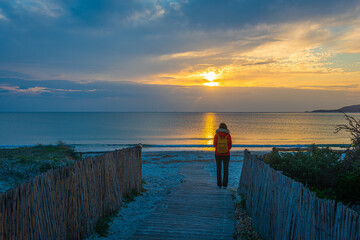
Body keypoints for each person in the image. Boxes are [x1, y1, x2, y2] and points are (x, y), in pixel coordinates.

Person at [213, 123, 232, 189]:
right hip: (226, 154)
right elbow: (230, 146)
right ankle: (225, 185)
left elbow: (214, 145)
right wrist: (226, 149)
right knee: (226, 169)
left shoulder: (216, 135)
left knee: (218, 169)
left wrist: (219, 149)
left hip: (218, 154)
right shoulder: (228, 135)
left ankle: (219, 184)